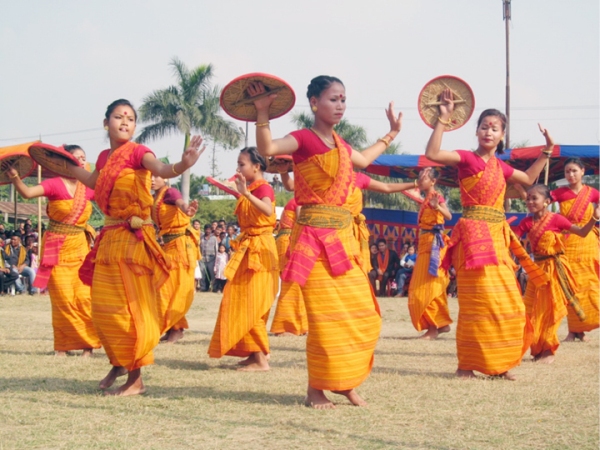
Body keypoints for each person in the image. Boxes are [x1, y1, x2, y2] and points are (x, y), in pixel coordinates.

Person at [249, 74, 402, 408]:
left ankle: (344, 380)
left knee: (363, 313)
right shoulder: (303, 138)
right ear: (314, 103)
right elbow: (269, 149)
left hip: (343, 243)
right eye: (333, 99)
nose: (340, 105)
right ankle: (316, 389)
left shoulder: (342, 145)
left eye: (344, 99)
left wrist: (392, 132)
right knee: (324, 319)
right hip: (312, 244)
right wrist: (262, 112)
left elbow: (364, 160)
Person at [69, 98, 204, 396]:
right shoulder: (105, 157)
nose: (125, 122)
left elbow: (162, 169)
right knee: (104, 310)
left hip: (133, 242)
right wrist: (62, 166)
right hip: (110, 239)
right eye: (119, 117)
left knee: (130, 310)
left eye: (130, 118)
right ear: (106, 122)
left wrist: (184, 164)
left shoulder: (139, 152)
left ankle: (135, 379)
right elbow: (93, 179)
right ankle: (119, 361)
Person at [425, 88, 554, 380]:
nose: (488, 131)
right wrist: (443, 118)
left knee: (506, 299)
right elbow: (432, 153)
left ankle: (501, 363)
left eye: (494, 128)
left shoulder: (502, 167)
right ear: (477, 131)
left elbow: (530, 179)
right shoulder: (467, 159)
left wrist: (547, 150)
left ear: (502, 135)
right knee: (475, 302)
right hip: (472, 238)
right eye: (484, 126)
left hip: (497, 237)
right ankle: (466, 366)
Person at [4, 145, 100, 355]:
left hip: (81, 249)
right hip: (57, 249)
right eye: (77, 158)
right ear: (65, 162)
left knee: (84, 298)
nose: (82, 161)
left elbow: (110, 198)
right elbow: (28, 193)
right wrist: (15, 177)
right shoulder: (54, 184)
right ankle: (63, 346)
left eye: (84, 157)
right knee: (63, 298)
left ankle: (88, 346)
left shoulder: (89, 186)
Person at [208, 147, 278, 371]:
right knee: (242, 299)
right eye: (238, 164)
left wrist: (246, 194)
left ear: (256, 167)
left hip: (260, 249)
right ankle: (253, 353)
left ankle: (260, 360)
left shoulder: (263, 188)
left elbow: (268, 211)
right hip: (250, 248)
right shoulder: (251, 188)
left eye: (242, 164)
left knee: (251, 303)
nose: (238, 168)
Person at [516, 184, 600, 363]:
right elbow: (514, 241)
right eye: (528, 198)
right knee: (530, 311)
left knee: (550, 311)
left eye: (534, 198)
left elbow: (582, 232)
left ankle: (548, 351)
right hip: (536, 272)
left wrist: (594, 218)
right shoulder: (526, 222)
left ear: (546, 202)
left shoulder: (557, 220)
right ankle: (537, 349)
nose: (530, 202)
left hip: (555, 270)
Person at [550, 158, 599, 342]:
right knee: (570, 286)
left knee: (590, 284)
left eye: (574, 171)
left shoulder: (593, 193)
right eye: (567, 172)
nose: (570, 175)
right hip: (568, 241)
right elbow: (541, 199)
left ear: (582, 171)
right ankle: (573, 330)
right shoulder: (560, 192)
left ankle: (583, 328)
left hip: (588, 243)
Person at [151, 175, 200, 344]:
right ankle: (174, 328)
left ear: (164, 177)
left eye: (156, 176)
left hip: (181, 247)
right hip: (167, 247)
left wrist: (188, 210)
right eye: (149, 175)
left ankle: (175, 328)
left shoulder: (170, 192)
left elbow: (181, 204)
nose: (151, 179)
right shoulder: (153, 197)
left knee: (176, 288)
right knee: (164, 289)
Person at [407, 167, 453, 339]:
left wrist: (437, 207)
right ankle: (441, 324)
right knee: (425, 285)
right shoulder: (426, 198)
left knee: (426, 287)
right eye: (419, 177)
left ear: (433, 181)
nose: (420, 180)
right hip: (425, 244)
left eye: (423, 178)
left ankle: (433, 328)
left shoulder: (436, 197)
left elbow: (448, 216)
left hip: (434, 245)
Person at [270, 197, 308, 336]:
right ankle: (285, 325)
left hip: (286, 240)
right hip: (290, 241)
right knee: (291, 285)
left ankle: (297, 325)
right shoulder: (299, 202)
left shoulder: (296, 201)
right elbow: (301, 221)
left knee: (295, 284)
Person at [199, 224, 218, 292]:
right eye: (206, 229)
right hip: (202, 259)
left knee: (212, 274)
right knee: (202, 274)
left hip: (211, 259)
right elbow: (198, 247)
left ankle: (214, 287)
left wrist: (216, 259)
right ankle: (203, 287)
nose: (208, 231)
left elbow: (216, 249)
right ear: (204, 230)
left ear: (211, 230)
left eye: (209, 229)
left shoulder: (214, 238)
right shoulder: (201, 238)